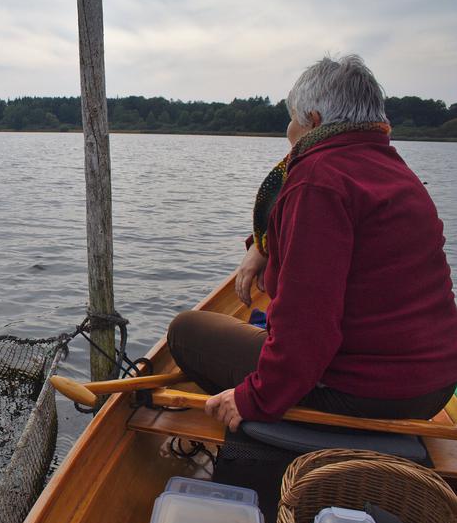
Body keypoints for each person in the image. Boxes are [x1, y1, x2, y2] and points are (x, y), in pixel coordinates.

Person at [167, 54, 457, 432]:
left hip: (367, 392)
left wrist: (254, 398)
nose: (288, 130)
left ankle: (282, 433)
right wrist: (262, 247)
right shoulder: (392, 167)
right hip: (433, 385)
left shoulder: (318, 179)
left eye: (292, 119)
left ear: (314, 121)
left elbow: (308, 323)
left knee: (186, 332)